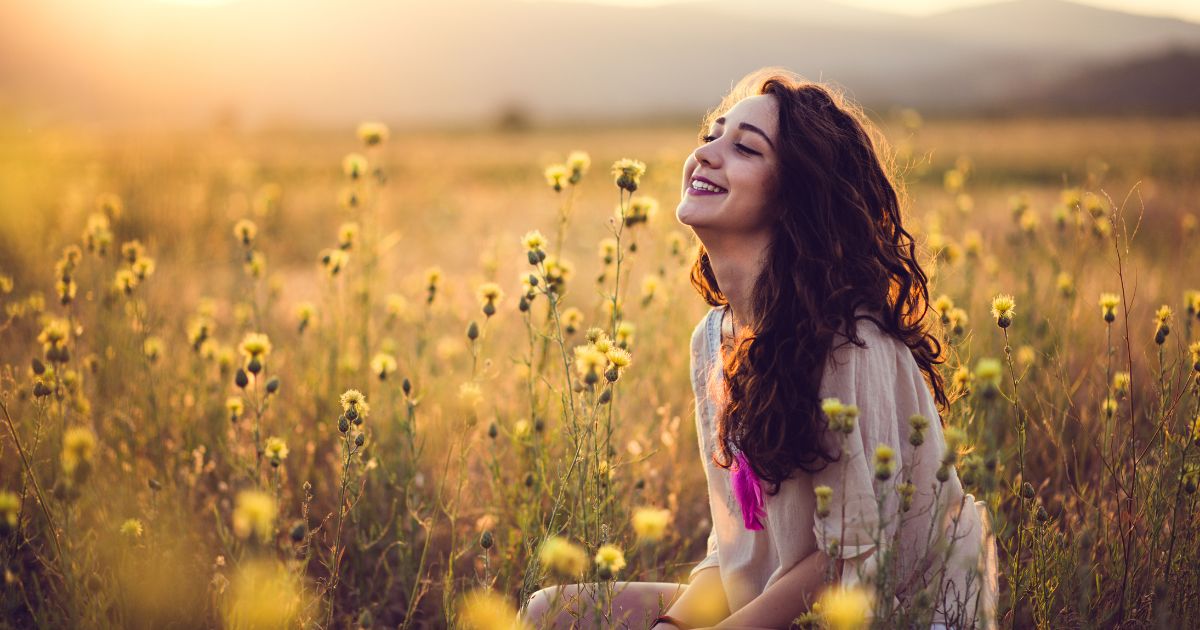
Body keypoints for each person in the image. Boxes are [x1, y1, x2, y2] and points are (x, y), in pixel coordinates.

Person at [523, 67, 998, 629]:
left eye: (745, 148)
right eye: (711, 137)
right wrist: (673, 626)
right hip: (778, 600)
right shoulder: (713, 340)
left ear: (794, 197)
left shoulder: (851, 343)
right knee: (553, 612)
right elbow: (736, 551)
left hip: (888, 610)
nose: (707, 155)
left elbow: (848, 565)